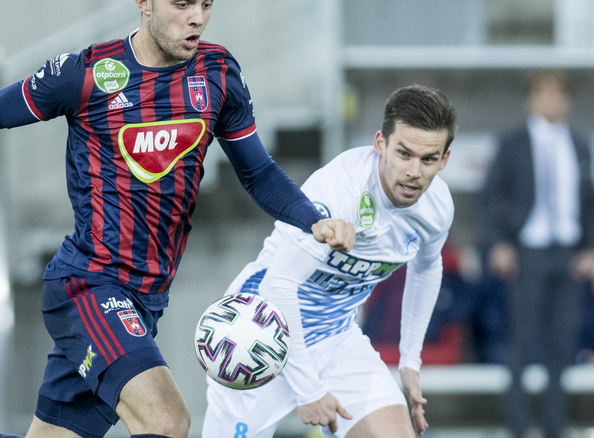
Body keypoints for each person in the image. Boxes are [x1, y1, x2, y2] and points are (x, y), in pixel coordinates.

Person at [0, 0, 355, 438]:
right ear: (143, 2)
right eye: (182, 3)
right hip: (89, 285)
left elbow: (257, 172)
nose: (197, 19)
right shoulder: (88, 74)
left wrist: (313, 220)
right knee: (168, 420)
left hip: (147, 299)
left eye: (207, 4)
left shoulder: (218, 74)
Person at [203, 84, 457, 438]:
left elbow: (427, 268)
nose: (414, 171)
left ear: (444, 159)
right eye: (404, 153)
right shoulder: (340, 191)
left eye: (428, 159)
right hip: (259, 335)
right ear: (380, 143)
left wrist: (410, 361)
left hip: (335, 337)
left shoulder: (436, 208)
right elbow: (278, 287)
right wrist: (309, 390)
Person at [477, 71, 594, 438]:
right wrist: (499, 243)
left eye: (558, 95)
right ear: (531, 100)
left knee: (563, 346)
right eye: (544, 95)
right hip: (527, 253)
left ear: (567, 101)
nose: (551, 102)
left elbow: (589, 203)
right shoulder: (513, 142)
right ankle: (517, 428)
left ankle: (554, 428)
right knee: (522, 345)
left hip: (570, 256)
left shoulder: (579, 144)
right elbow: (487, 197)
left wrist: (590, 248)